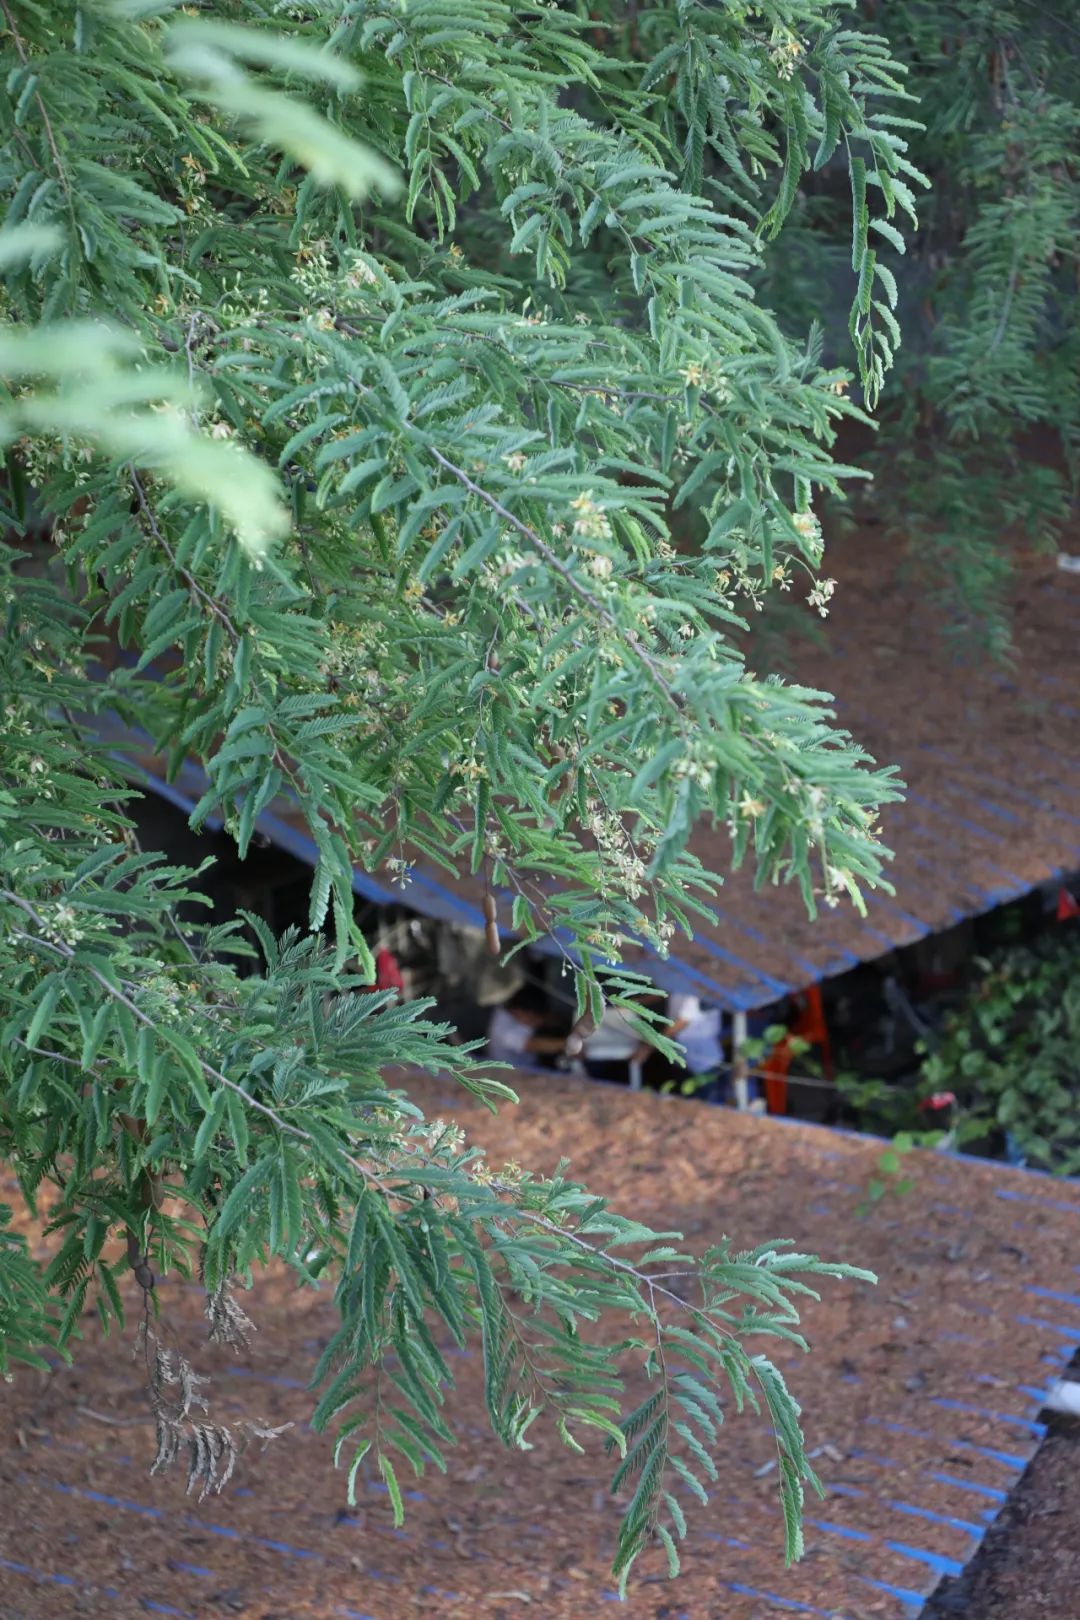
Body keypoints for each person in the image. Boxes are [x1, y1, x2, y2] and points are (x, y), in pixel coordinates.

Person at [486, 984, 568, 1068]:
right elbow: (535, 1045)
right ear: (519, 1012)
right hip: (518, 1072)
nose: (538, 1023)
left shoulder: (511, 1010)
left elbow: (548, 1019)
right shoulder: (506, 1033)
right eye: (534, 1019)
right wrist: (569, 1044)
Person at [667, 992, 723, 1100]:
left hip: (704, 1060)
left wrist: (651, 1044)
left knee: (700, 1101)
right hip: (683, 1055)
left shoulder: (695, 993)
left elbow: (682, 1022)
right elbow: (665, 993)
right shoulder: (678, 982)